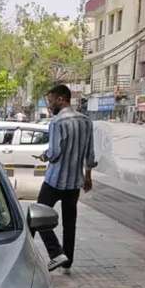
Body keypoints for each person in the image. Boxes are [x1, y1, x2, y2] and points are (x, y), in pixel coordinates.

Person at [36, 83, 96, 272]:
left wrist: (45, 155)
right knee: (70, 223)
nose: (50, 105)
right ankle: (67, 261)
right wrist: (88, 177)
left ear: (61, 99)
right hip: (74, 183)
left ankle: (55, 253)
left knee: (37, 217)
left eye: (51, 100)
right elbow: (90, 153)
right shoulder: (86, 121)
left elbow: (54, 153)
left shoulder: (57, 122)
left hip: (54, 181)